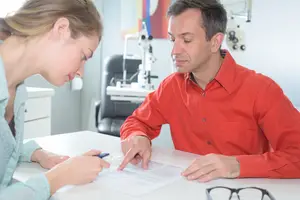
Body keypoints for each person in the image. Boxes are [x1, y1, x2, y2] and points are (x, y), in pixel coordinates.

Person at [118, 0, 300, 182]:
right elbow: (136, 122)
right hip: (188, 189)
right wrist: (137, 137)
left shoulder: (262, 90)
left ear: (215, 42)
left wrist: (237, 165)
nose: (174, 51)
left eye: (187, 40)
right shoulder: (171, 87)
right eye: (173, 39)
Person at [0, 0, 110, 199]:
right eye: (84, 56)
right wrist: (58, 178)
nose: (80, 72)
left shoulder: (16, 88)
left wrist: (36, 153)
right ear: (61, 28)